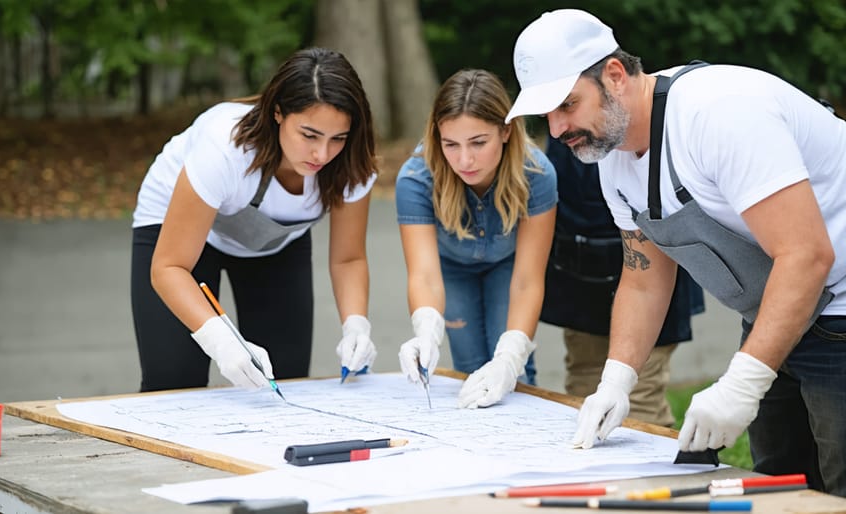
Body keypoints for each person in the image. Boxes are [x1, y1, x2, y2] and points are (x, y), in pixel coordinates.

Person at [506, 9, 846, 510]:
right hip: (784, 296)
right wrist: (617, 379)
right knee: (777, 485)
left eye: (568, 105)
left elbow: (807, 255)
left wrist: (743, 381)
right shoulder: (612, 156)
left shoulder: (718, 116)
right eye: (546, 115)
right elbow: (643, 280)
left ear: (614, 75)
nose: (557, 129)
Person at [131, 47, 379, 393]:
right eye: (309, 135)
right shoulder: (225, 147)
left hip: (272, 241)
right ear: (278, 112)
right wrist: (220, 339)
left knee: (284, 380)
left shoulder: (352, 164)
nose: (322, 154)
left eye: (338, 138)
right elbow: (168, 267)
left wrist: (356, 325)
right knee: (174, 379)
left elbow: (348, 258)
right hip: (178, 231)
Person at [395, 69, 557, 408]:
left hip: (509, 268)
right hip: (451, 269)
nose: (464, 160)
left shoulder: (537, 172)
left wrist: (511, 357)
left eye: (478, 143)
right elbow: (423, 274)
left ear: (506, 131)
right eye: (450, 144)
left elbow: (528, 280)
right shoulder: (415, 176)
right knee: (469, 371)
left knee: (515, 372)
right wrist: (425, 329)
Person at [540, 135, 704, 427]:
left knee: (639, 404)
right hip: (582, 274)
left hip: (654, 274)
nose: (558, 124)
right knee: (583, 395)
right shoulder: (564, 130)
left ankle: (654, 469)